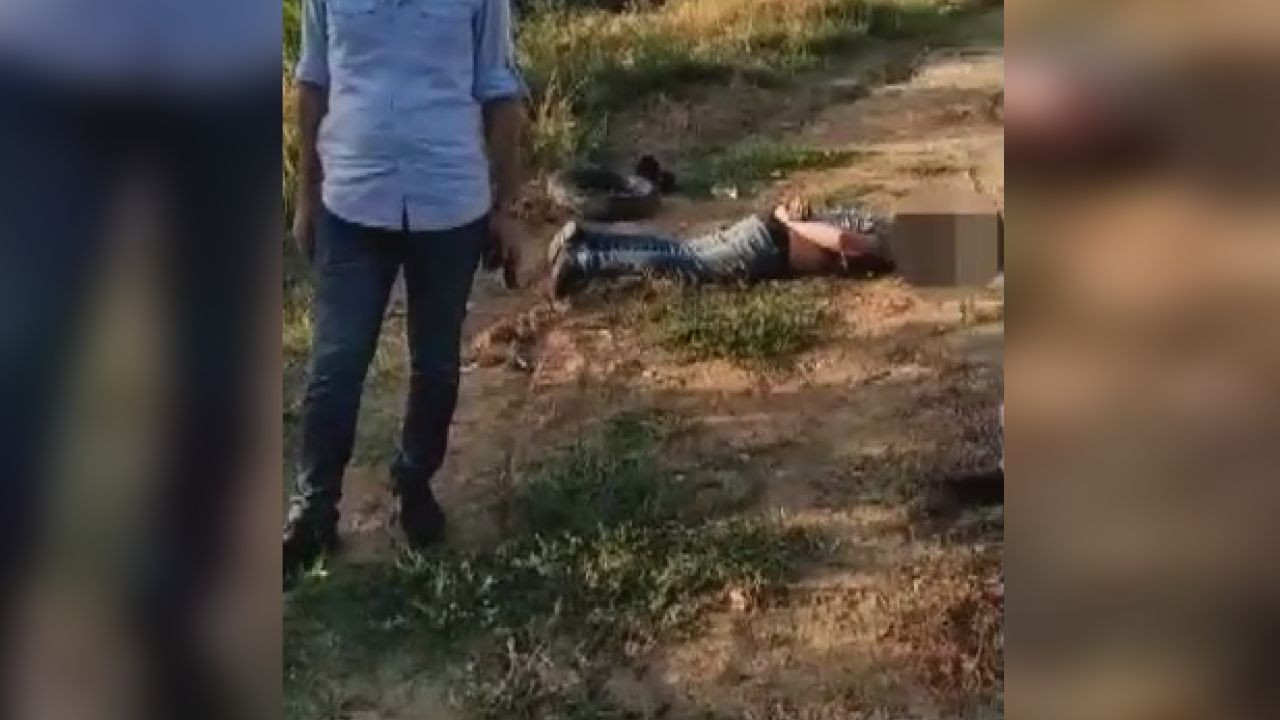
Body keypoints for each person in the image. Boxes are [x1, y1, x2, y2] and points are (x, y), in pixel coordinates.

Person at [0, 3, 277, 718]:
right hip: (44, 60)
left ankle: (175, 635)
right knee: (22, 366)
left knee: (217, 371)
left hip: (223, 68)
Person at [285, 0, 529, 585]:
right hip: (351, 201)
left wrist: (507, 210)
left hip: (449, 201)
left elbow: (499, 92)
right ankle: (314, 509)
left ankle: (415, 480)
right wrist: (306, 197)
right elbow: (313, 83)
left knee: (437, 363)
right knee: (336, 363)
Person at [547, 199, 895, 298]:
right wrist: (791, 219)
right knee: (685, 263)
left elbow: (830, 225)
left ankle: (588, 238)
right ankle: (584, 259)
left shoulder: (871, 220)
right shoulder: (883, 239)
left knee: (676, 248)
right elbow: (840, 241)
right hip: (766, 245)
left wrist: (788, 214)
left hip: (763, 232)